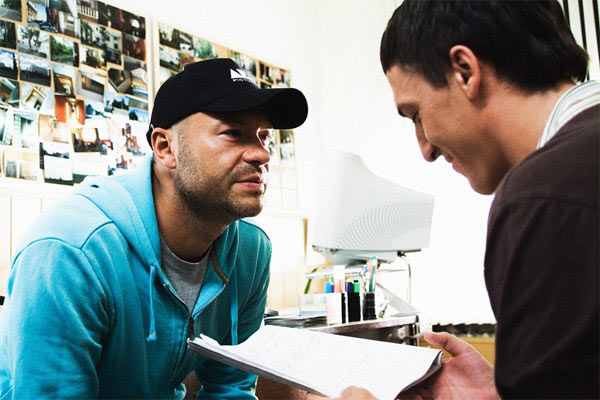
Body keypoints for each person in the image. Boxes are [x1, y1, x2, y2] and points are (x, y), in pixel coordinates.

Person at [309, 1, 598, 399]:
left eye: (415, 114)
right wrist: (503, 389)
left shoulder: (540, 197)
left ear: (465, 71)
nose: (425, 149)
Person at [0, 58, 308, 399]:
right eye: (233, 133)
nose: (262, 155)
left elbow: (230, 389)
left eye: (264, 137)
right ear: (165, 148)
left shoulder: (251, 252)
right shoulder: (71, 251)